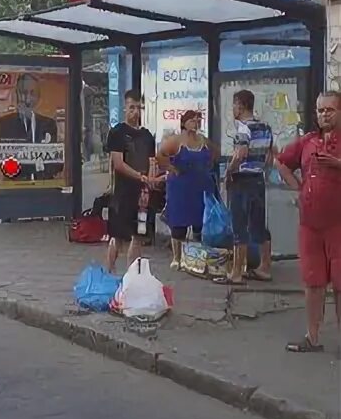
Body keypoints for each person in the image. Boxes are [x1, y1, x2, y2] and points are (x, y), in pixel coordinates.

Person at [275, 91, 341, 353]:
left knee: (340, 284)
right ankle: (312, 338)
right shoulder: (308, 141)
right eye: (321, 110)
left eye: (330, 110)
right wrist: (299, 189)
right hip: (310, 224)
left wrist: (337, 163)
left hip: (338, 225)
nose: (324, 115)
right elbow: (281, 162)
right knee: (313, 283)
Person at [216, 89, 275, 285]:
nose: (232, 109)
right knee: (259, 224)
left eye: (234, 105)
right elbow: (270, 155)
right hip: (258, 179)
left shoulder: (243, 129)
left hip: (242, 181)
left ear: (240, 105)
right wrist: (260, 169)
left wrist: (229, 172)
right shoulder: (265, 127)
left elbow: (240, 153)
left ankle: (236, 273)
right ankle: (265, 268)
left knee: (239, 224)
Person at [105, 90, 162, 272]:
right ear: (124, 108)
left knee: (138, 234)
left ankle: (132, 277)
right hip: (123, 193)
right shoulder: (117, 133)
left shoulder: (147, 136)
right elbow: (118, 164)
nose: (135, 112)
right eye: (131, 107)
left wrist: (152, 179)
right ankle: (109, 271)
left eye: (138, 108)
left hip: (143, 195)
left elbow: (152, 161)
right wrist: (140, 176)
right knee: (118, 237)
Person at [156, 110, 217, 269]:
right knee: (178, 222)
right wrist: (171, 168)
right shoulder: (176, 141)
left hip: (200, 187)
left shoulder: (203, 140)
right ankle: (177, 257)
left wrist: (207, 168)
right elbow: (160, 154)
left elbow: (214, 154)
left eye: (198, 119)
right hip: (180, 188)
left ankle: (197, 256)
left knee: (200, 223)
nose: (196, 121)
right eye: (192, 119)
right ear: (184, 122)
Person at [0, 73, 59, 143]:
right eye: (24, 93)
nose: (27, 100)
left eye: (32, 93)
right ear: (17, 94)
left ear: (38, 97)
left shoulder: (49, 125)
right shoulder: (5, 124)